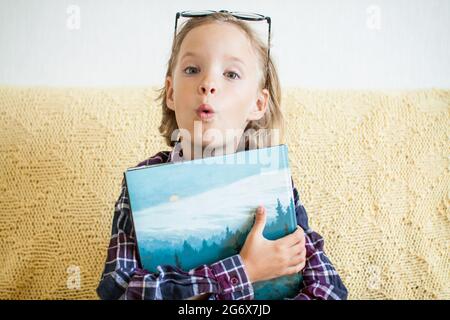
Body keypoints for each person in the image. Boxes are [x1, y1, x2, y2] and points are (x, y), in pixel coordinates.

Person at [97, 10, 348, 300]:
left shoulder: (273, 179)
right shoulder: (142, 185)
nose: (208, 84)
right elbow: (119, 290)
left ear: (258, 103)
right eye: (192, 70)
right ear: (170, 93)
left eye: (231, 74)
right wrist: (244, 270)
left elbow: (329, 289)